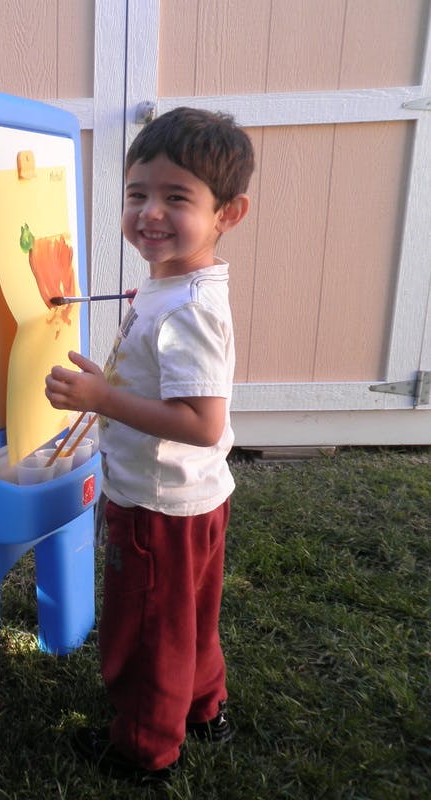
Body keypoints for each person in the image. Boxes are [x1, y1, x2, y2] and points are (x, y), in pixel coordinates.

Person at [45, 107, 254, 785]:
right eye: (138, 194)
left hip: (160, 506)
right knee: (189, 619)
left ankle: (142, 748)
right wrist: (115, 382)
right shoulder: (178, 284)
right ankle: (204, 708)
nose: (150, 213)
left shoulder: (190, 306)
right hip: (193, 499)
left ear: (228, 213)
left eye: (176, 197)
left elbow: (201, 422)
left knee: (146, 633)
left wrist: (104, 400)